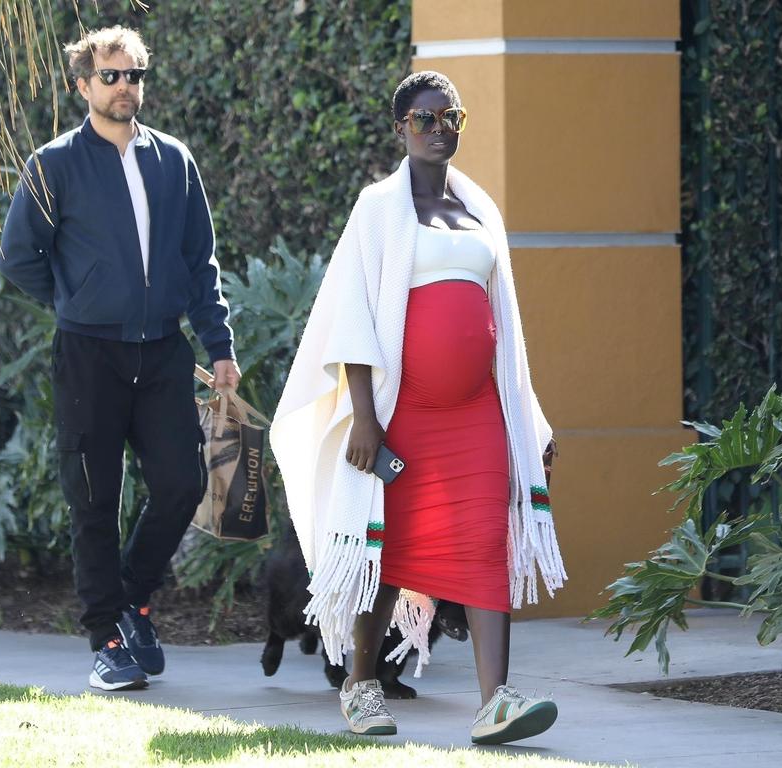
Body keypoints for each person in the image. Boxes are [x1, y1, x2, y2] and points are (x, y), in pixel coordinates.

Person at [270, 71, 565, 744]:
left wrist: (529, 425)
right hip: (404, 418)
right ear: (399, 128)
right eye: (426, 120)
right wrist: (366, 420)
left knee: (488, 542)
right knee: (389, 553)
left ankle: (496, 704)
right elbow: (351, 314)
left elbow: (507, 331)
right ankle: (362, 683)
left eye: (451, 117)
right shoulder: (378, 207)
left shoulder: (482, 211)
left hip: (479, 415)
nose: (441, 130)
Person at [0, 25, 240, 692]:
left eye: (134, 75)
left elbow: (200, 265)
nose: (125, 87)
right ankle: (106, 638)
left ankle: (133, 597)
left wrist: (220, 349)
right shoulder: (53, 165)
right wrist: (77, 302)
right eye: (111, 76)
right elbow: (19, 258)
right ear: (83, 86)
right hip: (88, 356)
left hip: (163, 350)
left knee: (182, 484)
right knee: (94, 500)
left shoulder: (174, 161)